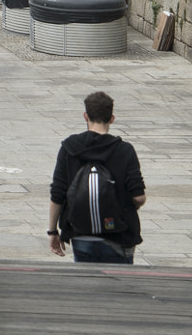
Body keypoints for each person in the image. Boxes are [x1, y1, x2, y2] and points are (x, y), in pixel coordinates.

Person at [48, 90, 147, 264]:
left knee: (88, 288)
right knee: (120, 288)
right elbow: (138, 197)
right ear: (112, 118)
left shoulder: (69, 148)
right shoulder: (125, 150)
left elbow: (57, 194)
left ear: (85, 116)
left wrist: (53, 231)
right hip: (119, 235)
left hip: (81, 234)